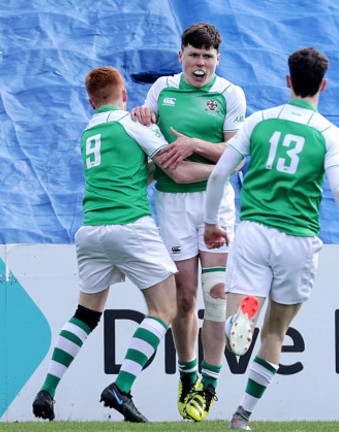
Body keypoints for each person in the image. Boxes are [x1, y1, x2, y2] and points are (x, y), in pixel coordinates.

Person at [31, 66, 217, 423]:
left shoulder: (88, 131)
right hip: (130, 225)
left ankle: (47, 390)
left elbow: (134, 169)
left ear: (90, 100)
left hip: (91, 231)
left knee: (85, 315)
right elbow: (175, 168)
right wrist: (224, 169)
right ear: (125, 96)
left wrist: (149, 168)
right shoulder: (133, 124)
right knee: (165, 310)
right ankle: (122, 386)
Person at [203, 47, 339, 430]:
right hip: (298, 239)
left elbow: (218, 175)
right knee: (276, 332)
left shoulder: (259, 121)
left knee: (239, 324)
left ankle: (236, 322)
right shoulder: (330, 134)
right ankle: (242, 416)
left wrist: (212, 223)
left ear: (288, 81)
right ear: (323, 85)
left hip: (255, 231)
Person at [131, 22, 246, 421]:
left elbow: (235, 155)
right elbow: (148, 139)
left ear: (218, 59)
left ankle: (209, 386)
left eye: (208, 57)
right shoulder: (161, 90)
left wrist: (194, 144)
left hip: (215, 204)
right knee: (183, 298)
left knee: (215, 296)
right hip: (172, 205)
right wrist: (142, 115)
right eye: (194, 56)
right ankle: (187, 376)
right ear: (181, 55)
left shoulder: (229, 94)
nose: (200, 64)